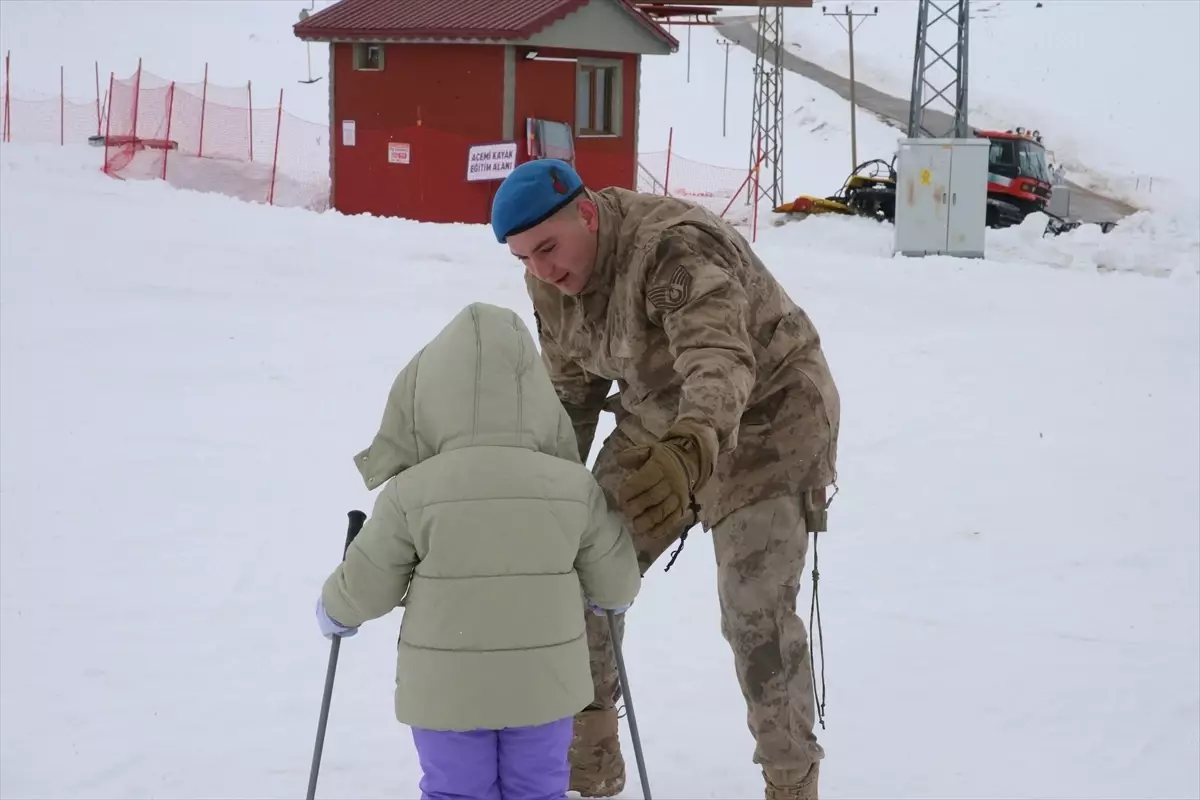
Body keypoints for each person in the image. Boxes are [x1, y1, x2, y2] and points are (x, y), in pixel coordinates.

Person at [489, 159, 842, 800]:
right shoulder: (550, 286)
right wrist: (544, 496)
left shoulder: (672, 248)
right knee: (579, 566)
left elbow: (720, 356)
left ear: (587, 213)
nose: (541, 269)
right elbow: (570, 400)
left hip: (769, 417)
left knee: (753, 610)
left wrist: (692, 448)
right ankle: (589, 763)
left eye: (547, 247)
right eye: (524, 258)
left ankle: (791, 782)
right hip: (661, 415)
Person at [314, 301, 643, 800]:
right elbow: (617, 584)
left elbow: (368, 584)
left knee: (456, 792)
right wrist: (607, 597)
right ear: (534, 396)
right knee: (537, 789)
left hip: (448, 696)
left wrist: (335, 610)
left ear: (431, 397)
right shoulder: (572, 488)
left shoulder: (412, 493)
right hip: (544, 691)